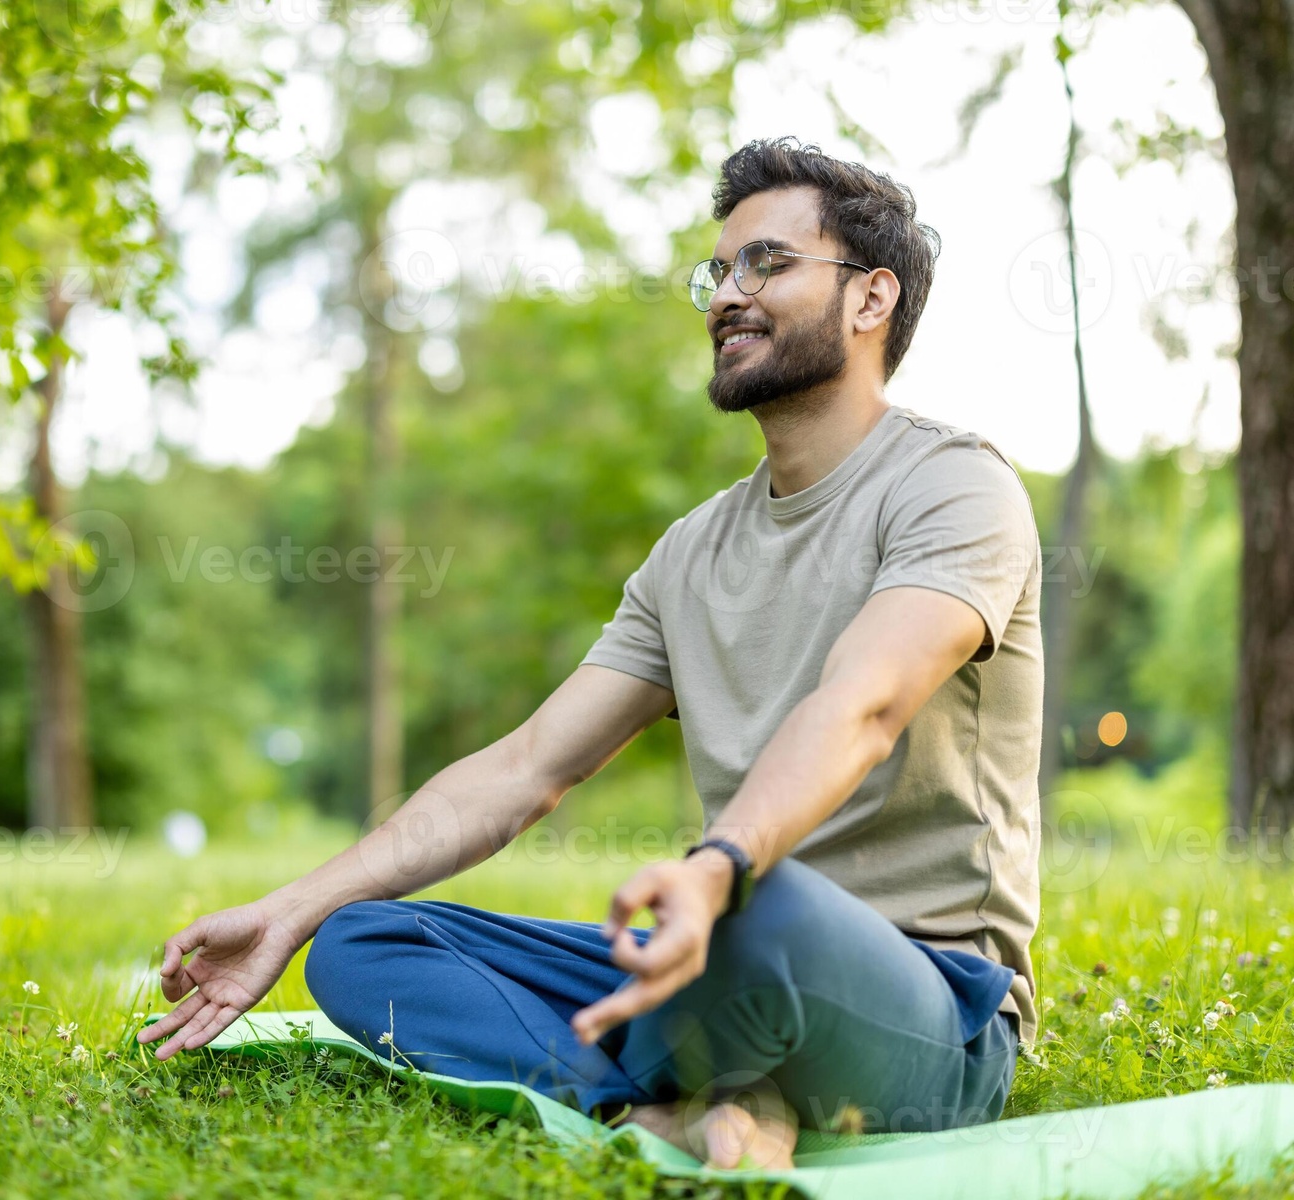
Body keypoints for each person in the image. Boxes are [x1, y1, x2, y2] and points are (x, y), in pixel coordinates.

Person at [138, 136, 1043, 1171]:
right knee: (364, 940)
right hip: (715, 947)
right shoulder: (693, 550)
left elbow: (864, 705)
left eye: (766, 264)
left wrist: (717, 868)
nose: (725, 297)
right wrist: (291, 911)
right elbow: (530, 768)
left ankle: (692, 1077)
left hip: (928, 1007)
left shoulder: (953, 488)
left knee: (766, 911)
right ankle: (672, 1104)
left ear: (870, 299)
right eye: (717, 271)